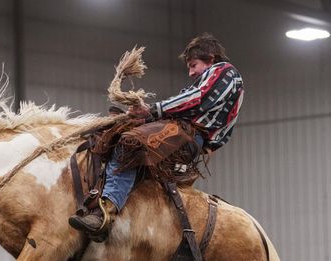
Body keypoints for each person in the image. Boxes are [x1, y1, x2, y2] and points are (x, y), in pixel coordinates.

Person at [69, 33, 244, 238]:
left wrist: (152, 111)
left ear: (211, 59)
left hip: (188, 135)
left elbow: (198, 98)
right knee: (112, 137)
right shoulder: (214, 76)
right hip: (182, 132)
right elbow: (187, 103)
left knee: (129, 144)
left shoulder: (226, 72)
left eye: (193, 65)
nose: (190, 72)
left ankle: (105, 212)